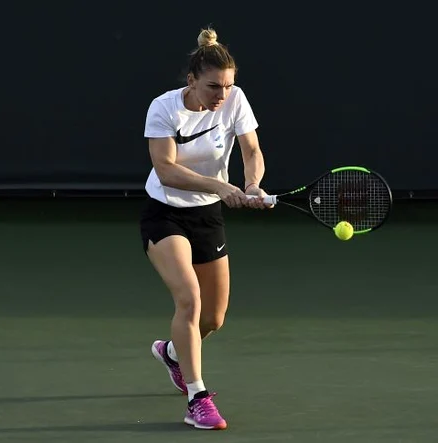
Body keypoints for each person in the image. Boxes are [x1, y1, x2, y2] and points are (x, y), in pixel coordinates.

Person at [140, 27, 271, 430]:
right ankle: (197, 398)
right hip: (165, 212)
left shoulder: (235, 100)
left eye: (228, 86)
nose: (222, 95)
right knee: (190, 300)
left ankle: (174, 355)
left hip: (207, 216)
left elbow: (251, 150)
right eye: (214, 86)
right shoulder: (163, 109)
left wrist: (251, 185)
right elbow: (165, 169)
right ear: (191, 81)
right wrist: (218, 184)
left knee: (213, 319)